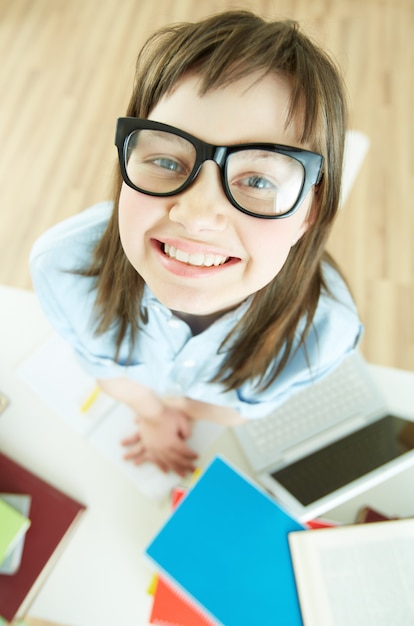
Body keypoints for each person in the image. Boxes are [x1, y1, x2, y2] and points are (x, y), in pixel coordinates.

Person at [30, 10, 362, 477]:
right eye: (166, 160)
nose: (197, 216)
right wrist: (154, 414)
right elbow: (104, 370)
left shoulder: (324, 335)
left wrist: (182, 411)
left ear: (308, 211)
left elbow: (238, 409)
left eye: (259, 180)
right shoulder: (61, 268)